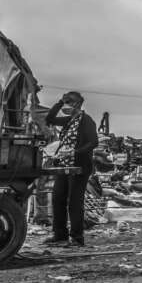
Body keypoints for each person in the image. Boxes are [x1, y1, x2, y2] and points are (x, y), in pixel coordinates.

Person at [42, 91, 99, 247]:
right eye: (65, 103)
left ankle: (77, 237)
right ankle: (60, 235)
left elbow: (93, 142)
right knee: (58, 198)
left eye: (69, 103)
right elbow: (50, 118)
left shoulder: (86, 120)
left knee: (74, 202)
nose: (66, 106)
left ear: (77, 104)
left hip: (79, 167)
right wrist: (60, 102)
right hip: (64, 165)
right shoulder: (69, 120)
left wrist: (75, 152)